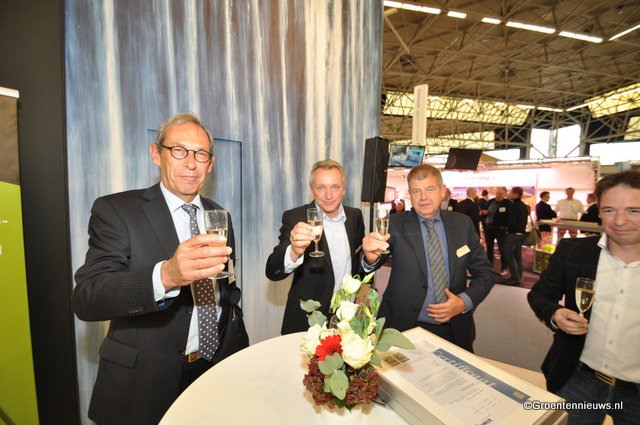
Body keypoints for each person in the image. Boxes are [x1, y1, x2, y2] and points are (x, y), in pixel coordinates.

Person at [72, 113, 248, 424]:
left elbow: (226, 286)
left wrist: (235, 338)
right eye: (179, 150)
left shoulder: (220, 215)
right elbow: (88, 297)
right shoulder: (116, 210)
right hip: (144, 381)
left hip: (214, 368)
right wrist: (165, 276)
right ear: (157, 154)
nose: (191, 163)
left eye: (201, 154)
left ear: (211, 163)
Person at [528, 171, 640, 424]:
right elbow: (541, 294)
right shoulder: (574, 251)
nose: (620, 221)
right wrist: (555, 314)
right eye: (609, 210)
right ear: (599, 211)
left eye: (633, 210)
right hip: (579, 379)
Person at [361, 164, 495, 352]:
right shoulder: (395, 224)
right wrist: (370, 259)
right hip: (403, 328)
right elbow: (372, 262)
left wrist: (463, 302)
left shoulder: (462, 225)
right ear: (410, 195)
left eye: (430, 189)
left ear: (442, 191)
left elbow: (486, 274)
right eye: (416, 191)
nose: (423, 197)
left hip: (454, 328)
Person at [265, 159, 364, 334]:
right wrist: (294, 251)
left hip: (346, 316)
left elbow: (358, 261)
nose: (328, 195)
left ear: (344, 189)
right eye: (321, 188)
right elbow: (272, 270)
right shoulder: (295, 217)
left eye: (335, 187)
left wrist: (370, 261)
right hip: (306, 320)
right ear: (312, 190)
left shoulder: (355, 216)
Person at [501, 187, 529, 285]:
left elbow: (511, 221)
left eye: (511, 192)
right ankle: (518, 277)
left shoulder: (514, 205)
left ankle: (514, 278)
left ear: (516, 194)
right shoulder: (523, 205)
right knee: (518, 257)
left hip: (513, 234)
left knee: (509, 255)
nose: (509, 194)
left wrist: (506, 227)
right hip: (521, 234)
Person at [484, 187, 510, 275]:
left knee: (502, 248)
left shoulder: (507, 203)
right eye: (497, 193)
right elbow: (483, 211)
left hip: (500, 229)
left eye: (500, 194)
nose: (498, 195)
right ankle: (489, 266)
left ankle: (504, 267)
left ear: (505, 194)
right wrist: (484, 212)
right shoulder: (490, 202)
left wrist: (505, 227)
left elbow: (509, 217)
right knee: (489, 248)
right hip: (489, 228)